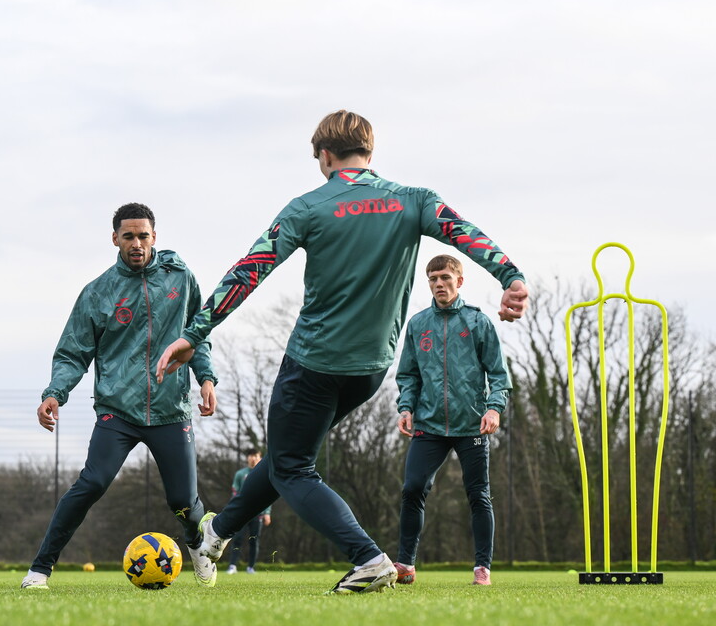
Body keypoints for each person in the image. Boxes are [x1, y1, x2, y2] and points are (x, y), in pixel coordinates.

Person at [156, 110, 527, 595]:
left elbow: (248, 272)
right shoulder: (414, 201)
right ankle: (215, 534)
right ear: (370, 154)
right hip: (370, 370)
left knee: (292, 467)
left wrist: (193, 333)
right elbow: (467, 235)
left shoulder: (309, 206)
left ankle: (368, 558)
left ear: (325, 156)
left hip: (313, 363)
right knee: (289, 455)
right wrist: (510, 277)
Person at [20, 203, 219, 590]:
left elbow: (199, 333)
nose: (137, 243)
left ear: (154, 237)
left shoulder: (181, 277)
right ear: (115, 239)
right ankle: (40, 570)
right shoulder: (98, 293)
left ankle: (196, 545)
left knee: (183, 501)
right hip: (118, 411)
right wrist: (54, 394)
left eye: (143, 235)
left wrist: (206, 378)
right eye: (128, 236)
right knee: (91, 483)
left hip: (170, 409)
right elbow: (72, 351)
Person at [394, 255, 511, 587]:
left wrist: (494, 408)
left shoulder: (478, 322)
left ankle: (482, 569)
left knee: (479, 495)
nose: (438, 283)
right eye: (432, 279)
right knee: (413, 488)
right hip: (428, 425)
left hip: (471, 425)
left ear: (459, 281)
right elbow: (408, 376)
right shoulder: (417, 324)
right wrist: (406, 407)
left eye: (445, 277)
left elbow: (499, 376)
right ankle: (405, 564)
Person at [226, 449, 272, 575]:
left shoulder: (265, 474)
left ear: (260, 458)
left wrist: (267, 512)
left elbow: (269, 495)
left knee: (254, 541)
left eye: (256, 456)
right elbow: (235, 493)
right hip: (242, 513)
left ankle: (251, 567)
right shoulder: (240, 474)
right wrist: (234, 511)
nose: (254, 458)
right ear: (247, 458)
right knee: (237, 539)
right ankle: (232, 566)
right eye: (251, 456)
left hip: (258, 513)